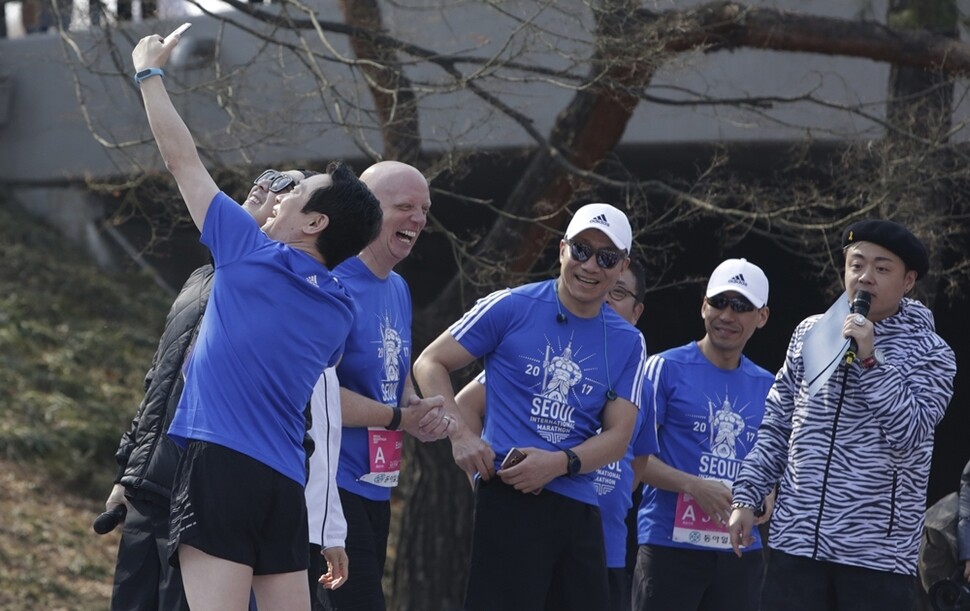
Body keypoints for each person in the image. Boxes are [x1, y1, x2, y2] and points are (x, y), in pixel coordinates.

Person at [132, 31, 383, 611]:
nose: (280, 198)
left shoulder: (245, 252)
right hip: (282, 484)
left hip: (218, 466)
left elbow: (180, 159)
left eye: (296, 196)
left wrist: (148, 73)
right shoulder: (342, 309)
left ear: (314, 223)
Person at [413, 203, 648, 611]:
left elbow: (619, 437)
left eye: (606, 258)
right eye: (582, 250)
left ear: (620, 266)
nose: (590, 265)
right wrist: (462, 438)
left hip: (579, 503)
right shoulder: (511, 305)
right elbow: (429, 363)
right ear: (562, 250)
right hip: (510, 497)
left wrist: (559, 463)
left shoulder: (628, 340)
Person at [103, 167, 315, 611]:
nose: (267, 184)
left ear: (300, 215)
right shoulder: (200, 278)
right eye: (266, 175)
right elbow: (159, 380)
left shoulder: (294, 295)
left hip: (209, 495)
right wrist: (130, 471)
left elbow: (297, 414)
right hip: (150, 484)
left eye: (285, 185)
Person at [729, 220, 957, 611]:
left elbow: (910, 432)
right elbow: (777, 423)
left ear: (908, 281)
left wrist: (870, 358)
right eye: (857, 265)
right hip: (796, 544)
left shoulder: (933, 353)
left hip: (876, 558)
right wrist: (746, 495)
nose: (866, 277)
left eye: (882, 269)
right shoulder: (811, 333)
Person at [453, 259, 659, 611]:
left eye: (619, 292)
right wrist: (483, 476)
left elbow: (635, 464)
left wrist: (595, 487)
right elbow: (462, 402)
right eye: (604, 290)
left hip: (600, 535)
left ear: (637, 310)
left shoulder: (640, 374)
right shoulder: (527, 344)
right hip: (520, 512)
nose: (607, 297)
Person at [309, 160, 448, 611]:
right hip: (331, 485)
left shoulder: (398, 288)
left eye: (424, 209)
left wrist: (415, 411)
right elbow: (317, 395)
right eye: (405, 206)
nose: (418, 219)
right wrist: (397, 417)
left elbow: (396, 376)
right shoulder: (333, 284)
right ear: (367, 211)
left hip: (378, 485)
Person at [631, 258, 774, 611]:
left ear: (762, 316)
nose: (727, 315)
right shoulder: (663, 368)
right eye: (719, 302)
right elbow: (629, 455)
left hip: (740, 552)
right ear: (703, 307)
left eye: (741, 306)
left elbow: (773, 464)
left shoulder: (770, 386)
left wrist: (765, 497)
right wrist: (694, 486)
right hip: (668, 546)